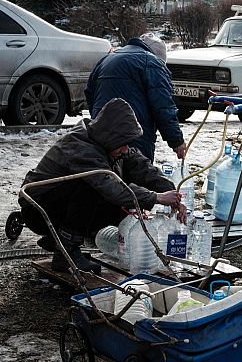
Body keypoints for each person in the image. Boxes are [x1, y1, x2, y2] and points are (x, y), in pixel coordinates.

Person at [19, 98, 187, 274]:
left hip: (56, 203)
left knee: (120, 204)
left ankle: (60, 239)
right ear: (111, 137)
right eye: (122, 144)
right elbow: (111, 187)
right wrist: (156, 198)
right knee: (95, 189)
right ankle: (66, 252)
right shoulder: (81, 147)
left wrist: (172, 193)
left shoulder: (109, 144)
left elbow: (143, 168)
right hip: (38, 210)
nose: (126, 149)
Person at [85, 33, 186, 162]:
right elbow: (163, 107)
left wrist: (99, 120)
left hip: (102, 134)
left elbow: (89, 92)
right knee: (139, 175)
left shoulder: (107, 59)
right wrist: (177, 141)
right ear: (158, 56)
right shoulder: (151, 63)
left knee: (106, 174)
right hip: (134, 135)